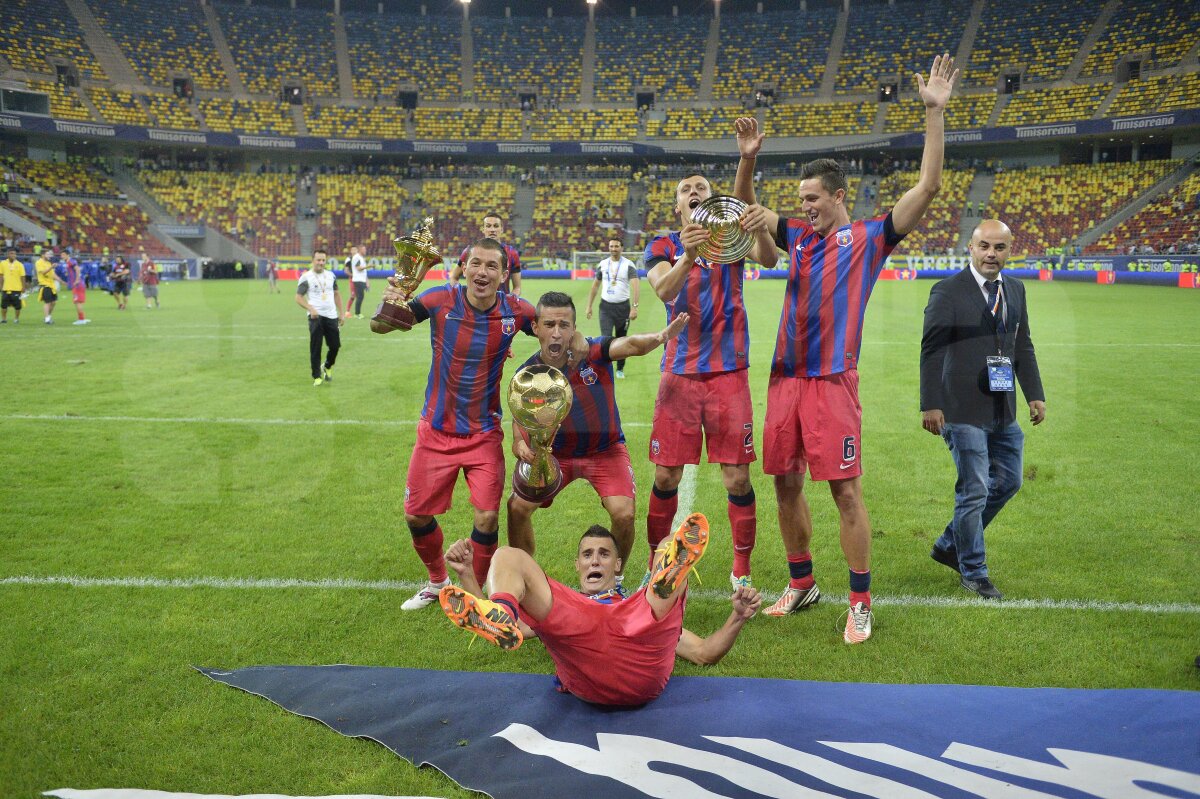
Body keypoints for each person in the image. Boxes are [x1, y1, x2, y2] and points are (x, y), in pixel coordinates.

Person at [731, 53, 958, 643]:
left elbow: (929, 186)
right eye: (799, 197)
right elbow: (747, 216)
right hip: (785, 380)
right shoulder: (798, 237)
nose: (803, 205)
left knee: (845, 491)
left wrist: (934, 115)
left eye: (812, 197)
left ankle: (860, 600)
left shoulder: (871, 237)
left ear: (838, 195)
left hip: (834, 382)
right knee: (783, 483)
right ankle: (802, 582)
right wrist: (748, 166)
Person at [374, 238, 580, 609]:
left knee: (486, 517)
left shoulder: (517, 311)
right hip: (435, 430)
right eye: (476, 264)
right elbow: (382, 327)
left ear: (504, 275)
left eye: (491, 267)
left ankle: (478, 593)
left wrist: (576, 338)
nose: (482, 272)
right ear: (464, 267)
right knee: (416, 514)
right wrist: (390, 299)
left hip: (484, 434)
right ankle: (437, 581)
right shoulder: (440, 300)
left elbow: (553, 332)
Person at [439, 513, 761, 707]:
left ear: (617, 564)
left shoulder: (639, 606)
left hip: (637, 643)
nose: (595, 559)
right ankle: (503, 610)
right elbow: (515, 634)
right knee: (509, 555)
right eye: (588, 554)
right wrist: (468, 573)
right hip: (581, 634)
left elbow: (704, 653)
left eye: (605, 554)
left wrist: (738, 617)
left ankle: (668, 565)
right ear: (577, 565)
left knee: (667, 545)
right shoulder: (564, 609)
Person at [642, 167, 777, 590]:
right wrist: (687, 254)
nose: (694, 192)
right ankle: (655, 561)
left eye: (701, 187)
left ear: (712, 199)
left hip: (728, 373)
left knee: (737, 478)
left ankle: (741, 569)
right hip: (679, 374)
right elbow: (663, 291)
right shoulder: (663, 245)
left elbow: (770, 258)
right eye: (686, 189)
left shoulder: (731, 235)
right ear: (679, 205)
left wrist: (761, 229)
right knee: (666, 477)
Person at [508, 291, 689, 575]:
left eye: (564, 325)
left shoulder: (592, 350)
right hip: (556, 456)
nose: (557, 333)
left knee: (624, 514)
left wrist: (661, 337)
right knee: (517, 508)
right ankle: (523, 574)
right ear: (536, 328)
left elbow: (629, 345)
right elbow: (519, 426)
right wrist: (521, 446)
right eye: (550, 325)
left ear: (574, 327)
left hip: (605, 451)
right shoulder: (528, 374)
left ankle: (614, 579)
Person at [920, 219, 1046, 600]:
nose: (992, 254)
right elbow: (932, 349)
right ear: (971, 249)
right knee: (974, 489)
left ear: (1010, 250)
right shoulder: (947, 291)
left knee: (1009, 481)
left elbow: (1021, 345)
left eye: (1000, 247)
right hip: (960, 409)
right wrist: (931, 404)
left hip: (1002, 406)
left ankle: (948, 544)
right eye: (985, 246)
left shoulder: (1016, 289)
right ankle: (973, 571)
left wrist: (1034, 394)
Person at [585, 239, 640, 378]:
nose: (613, 248)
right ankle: (605, 369)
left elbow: (636, 286)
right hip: (605, 307)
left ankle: (620, 369)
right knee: (605, 339)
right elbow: (595, 286)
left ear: (621, 248)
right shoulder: (603, 264)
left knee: (622, 339)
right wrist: (589, 306)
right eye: (611, 246)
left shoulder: (628, 265)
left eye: (616, 246)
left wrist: (634, 307)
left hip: (623, 308)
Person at [294, 249, 344, 387]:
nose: (321, 263)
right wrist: (310, 308)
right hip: (316, 317)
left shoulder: (331, 276)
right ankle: (316, 376)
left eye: (323, 260)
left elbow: (337, 294)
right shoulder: (306, 277)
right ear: (313, 260)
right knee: (316, 347)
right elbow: (298, 297)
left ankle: (327, 366)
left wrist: (342, 313)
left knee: (335, 346)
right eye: (318, 260)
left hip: (332, 315)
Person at [449, 213, 522, 296]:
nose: (492, 230)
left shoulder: (512, 253)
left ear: (501, 229)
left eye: (496, 226)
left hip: (500, 307)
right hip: (474, 305)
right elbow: (454, 277)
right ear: (483, 229)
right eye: (488, 226)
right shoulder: (469, 251)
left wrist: (509, 301)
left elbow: (517, 288)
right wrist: (459, 295)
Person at [61, 253, 89, 325]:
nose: (62, 256)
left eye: (63, 255)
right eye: (61, 255)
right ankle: (82, 318)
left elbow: (77, 269)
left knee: (77, 302)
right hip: (79, 284)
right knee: (79, 302)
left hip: (77, 284)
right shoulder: (68, 263)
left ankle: (81, 319)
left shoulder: (71, 261)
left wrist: (76, 280)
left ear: (68, 255)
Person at [0, 248, 26, 323]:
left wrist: (23, 287)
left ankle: (16, 319)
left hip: (17, 289)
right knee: (3, 306)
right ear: (8, 254)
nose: (13, 255)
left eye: (14, 254)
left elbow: (23, 276)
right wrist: (1, 286)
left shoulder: (20, 264)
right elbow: (1, 276)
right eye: (11, 253)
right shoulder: (2, 263)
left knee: (18, 306)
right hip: (6, 288)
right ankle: (4, 319)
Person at [35, 250, 57, 325]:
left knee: (53, 302)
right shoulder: (38, 262)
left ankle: (48, 317)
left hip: (51, 285)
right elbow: (43, 273)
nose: (49, 256)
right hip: (44, 285)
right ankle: (47, 319)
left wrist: (61, 281)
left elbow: (52, 275)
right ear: (42, 255)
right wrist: (51, 267)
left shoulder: (48, 263)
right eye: (47, 254)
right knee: (47, 302)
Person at [347, 244, 368, 318]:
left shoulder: (361, 258)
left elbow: (363, 271)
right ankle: (357, 313)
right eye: (364, 249)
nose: (365, 250)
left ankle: (358, 313)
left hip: (361, 279)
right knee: (360, 296)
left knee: (360, 296)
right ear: (360, 250)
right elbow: (358, 268)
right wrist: (368, 266)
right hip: (357, 279)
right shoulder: (357, 257)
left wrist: (366, 282)